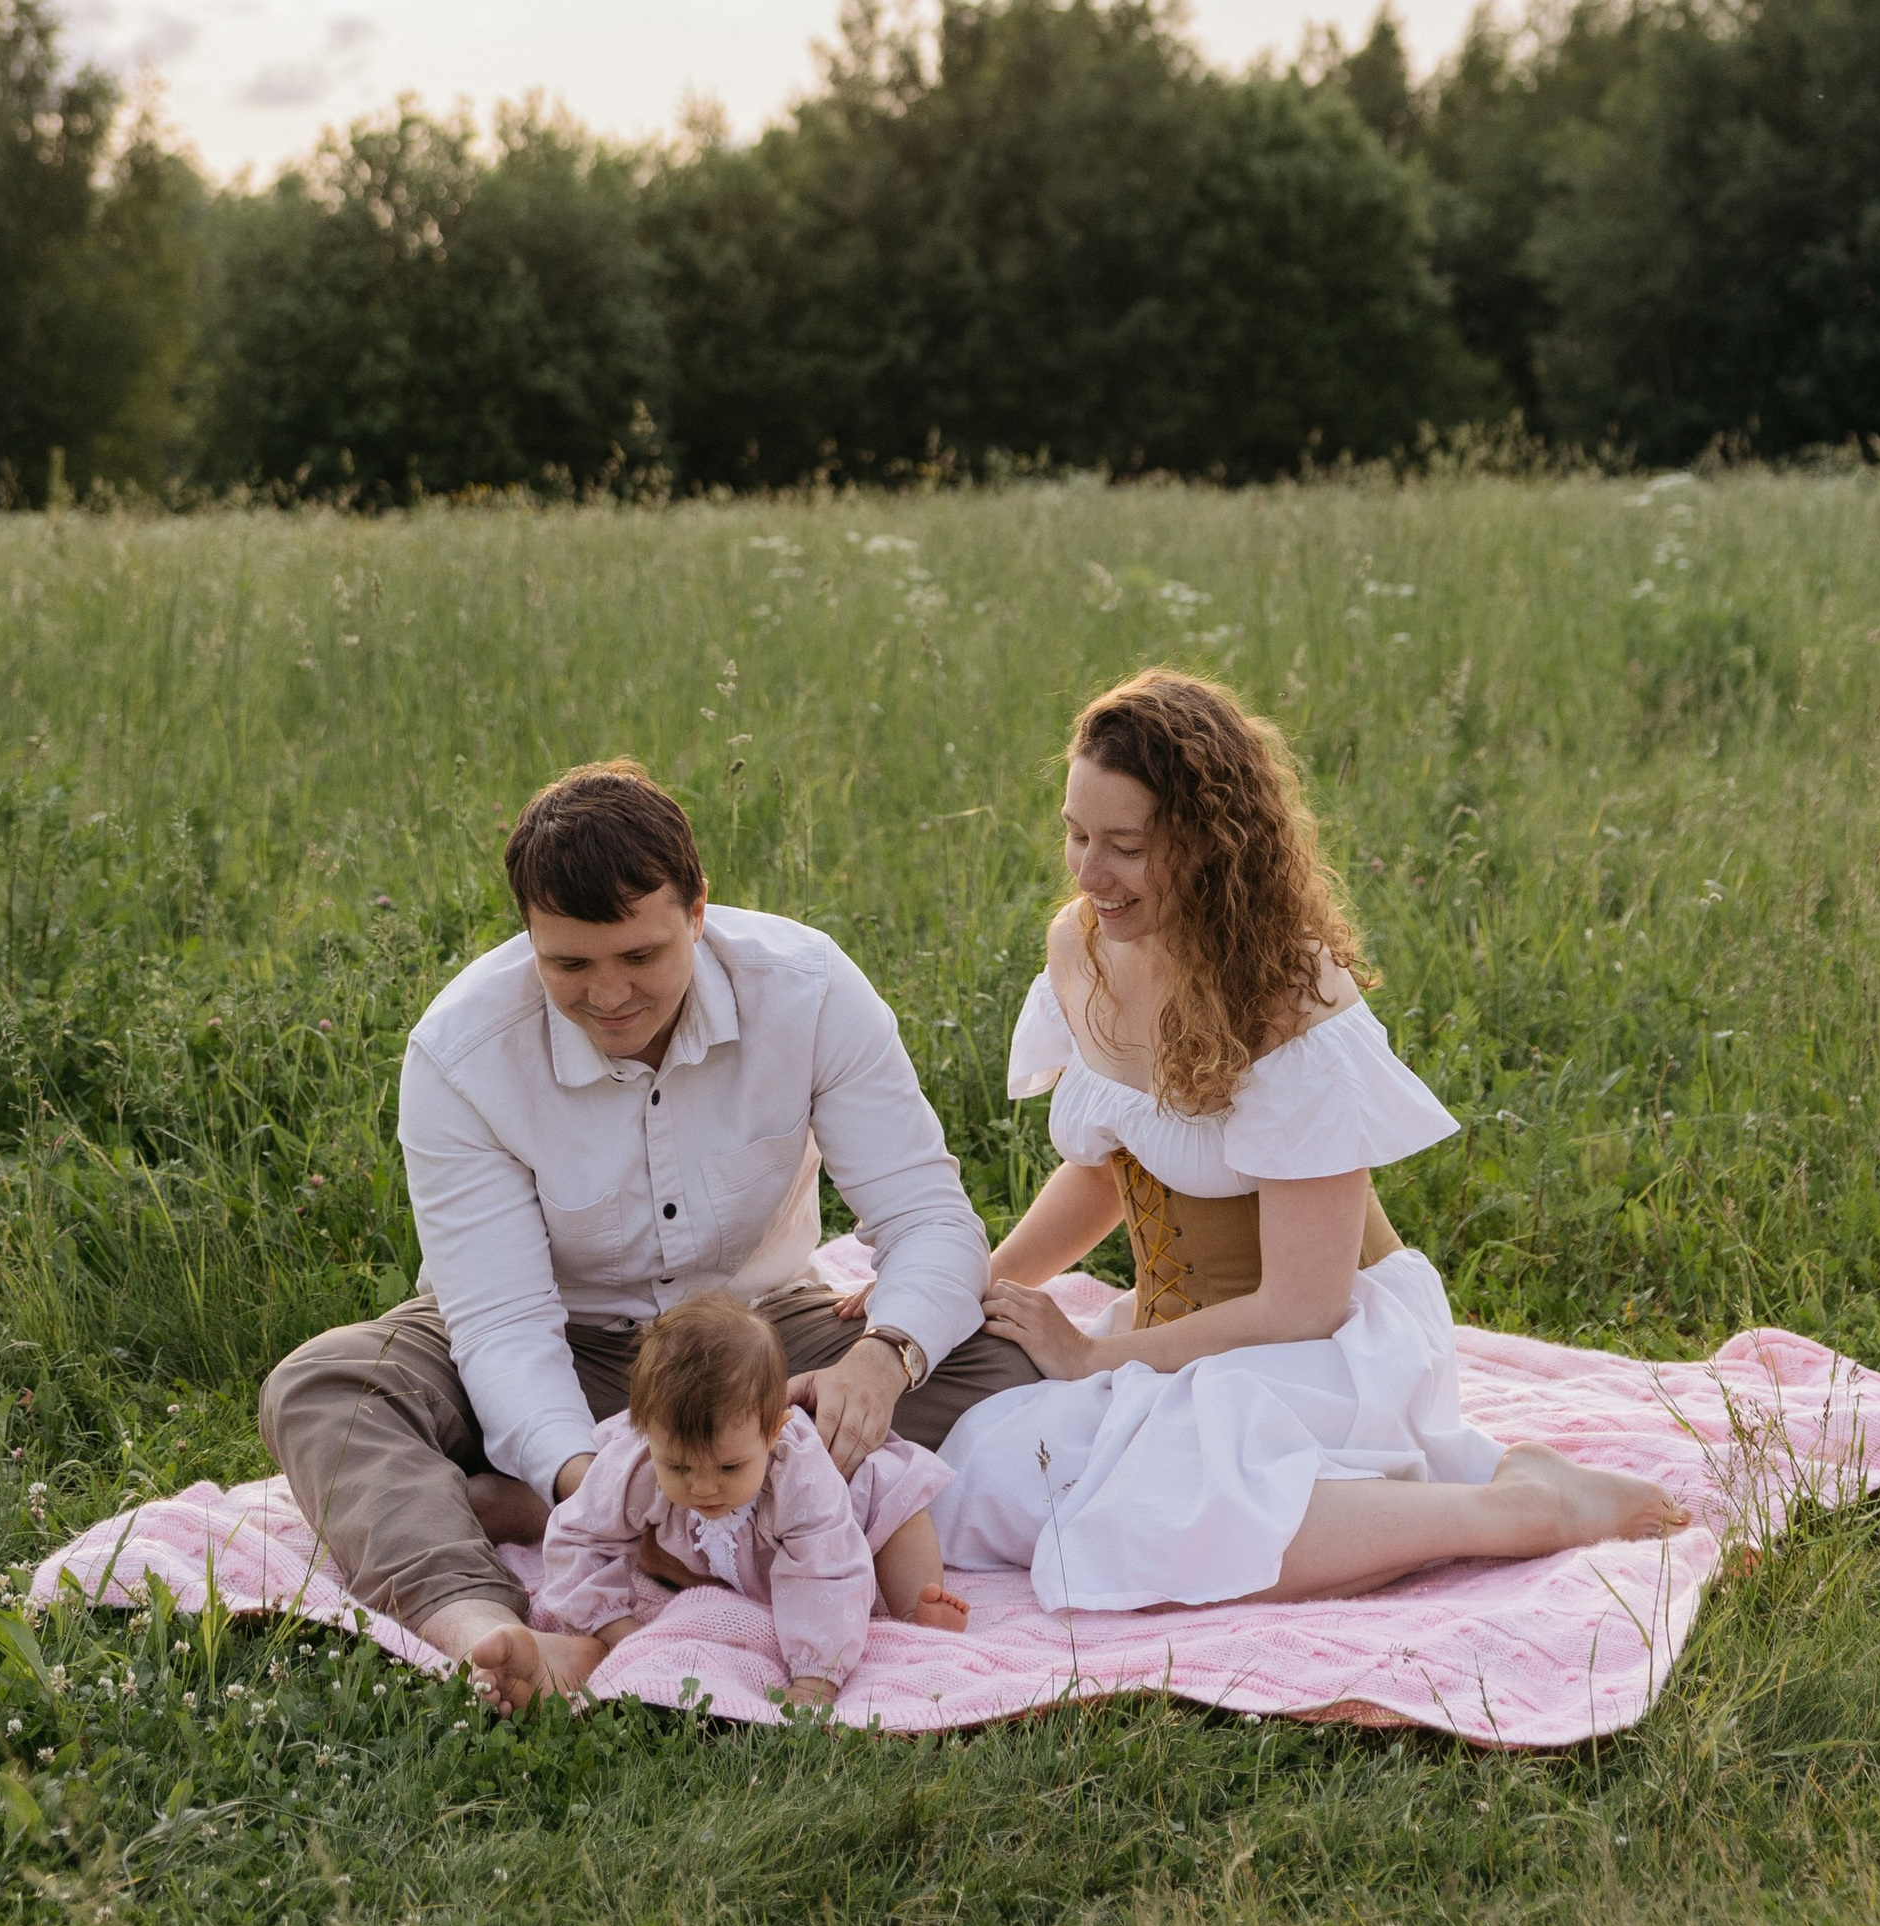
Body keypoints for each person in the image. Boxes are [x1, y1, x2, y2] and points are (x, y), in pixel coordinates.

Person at [258, 760, 1040, 1706]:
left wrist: (880, 1363)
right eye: (569, 965)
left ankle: (598, 1516)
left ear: (698, 909)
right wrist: (602, 1477)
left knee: (999, 1357)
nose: (609, 995)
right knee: (327, 1388)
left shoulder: (807, 987)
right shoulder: (461, 1053)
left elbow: (926, 1214)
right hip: (562, 1345)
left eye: (641, 956)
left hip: (756, 1341)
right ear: (529, 937)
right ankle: (492, 1631)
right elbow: (503, 1324)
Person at [936, 670, 1690, 1607]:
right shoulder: (1081, 948)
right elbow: (1102, 1167)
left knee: (1164, 1533)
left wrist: (1091, 1358)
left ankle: (1522, 1507)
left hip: (1327, 1344)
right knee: (979, 1486)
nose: (1090, 874)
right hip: (1183, 1333)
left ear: (1209, 848)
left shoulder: (1292, 1006)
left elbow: (1303, 1305)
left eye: (1125, 847)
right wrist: (983, 1286)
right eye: (1076, 833)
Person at [494, 1289, 969, 1716]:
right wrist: (613, 1626)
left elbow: (826, 1569)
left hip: (851, 1523)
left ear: (773, 1433)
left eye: (728, 1468)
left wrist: (814, 1677)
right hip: (723, 1557)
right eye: (678, 1468)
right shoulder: (635, 1464)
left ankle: (915, 1613)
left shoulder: (800, 1478)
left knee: (899, 1510)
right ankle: (506, 1504)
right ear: (646, 1434)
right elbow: (579, 1536)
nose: (702, 1489)